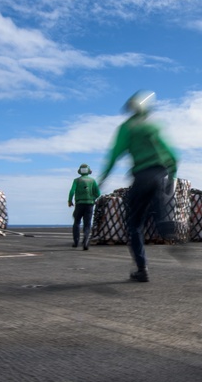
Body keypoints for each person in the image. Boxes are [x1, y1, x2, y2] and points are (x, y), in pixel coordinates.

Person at [98, 90, 179, 283]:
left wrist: (103, 178)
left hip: (141, 176)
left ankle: (142, 269)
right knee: (160, 210)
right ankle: (166, 225)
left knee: (134, 224)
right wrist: (172, 176)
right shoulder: (154, 125)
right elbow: (171, 153)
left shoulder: (126, 128)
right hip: (161, 174)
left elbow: (114, 155)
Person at [68, 164, 100, 250]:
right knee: (87, 224)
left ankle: (76, 242)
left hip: (79, 204)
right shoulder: (92, 181)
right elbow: (98, 193)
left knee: (77, 222)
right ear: (89, 171)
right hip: (89, 204)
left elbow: (71, 191)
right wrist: (92, 198)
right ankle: (85, 242)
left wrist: (70, 201)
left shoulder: (76, 181)